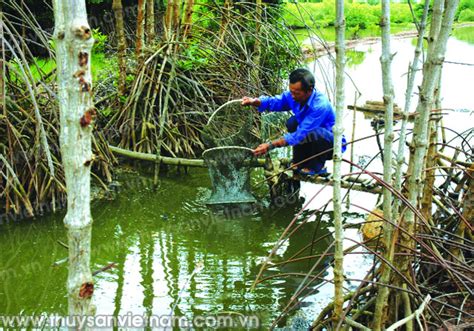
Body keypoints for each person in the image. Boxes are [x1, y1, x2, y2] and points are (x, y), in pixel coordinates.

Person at [242, 68, 345, 175]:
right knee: (292, 122)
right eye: (291, 92)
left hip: (331, 145)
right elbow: (277, 102)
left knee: (314, 132)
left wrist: (270, 145)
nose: (293, 96)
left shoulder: (320, 106)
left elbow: (301, 134)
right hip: (309, 137)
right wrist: (255, 102)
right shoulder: (293, 95)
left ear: (309, 90)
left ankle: (317, 167)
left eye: (297, 93)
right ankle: (299, 161)